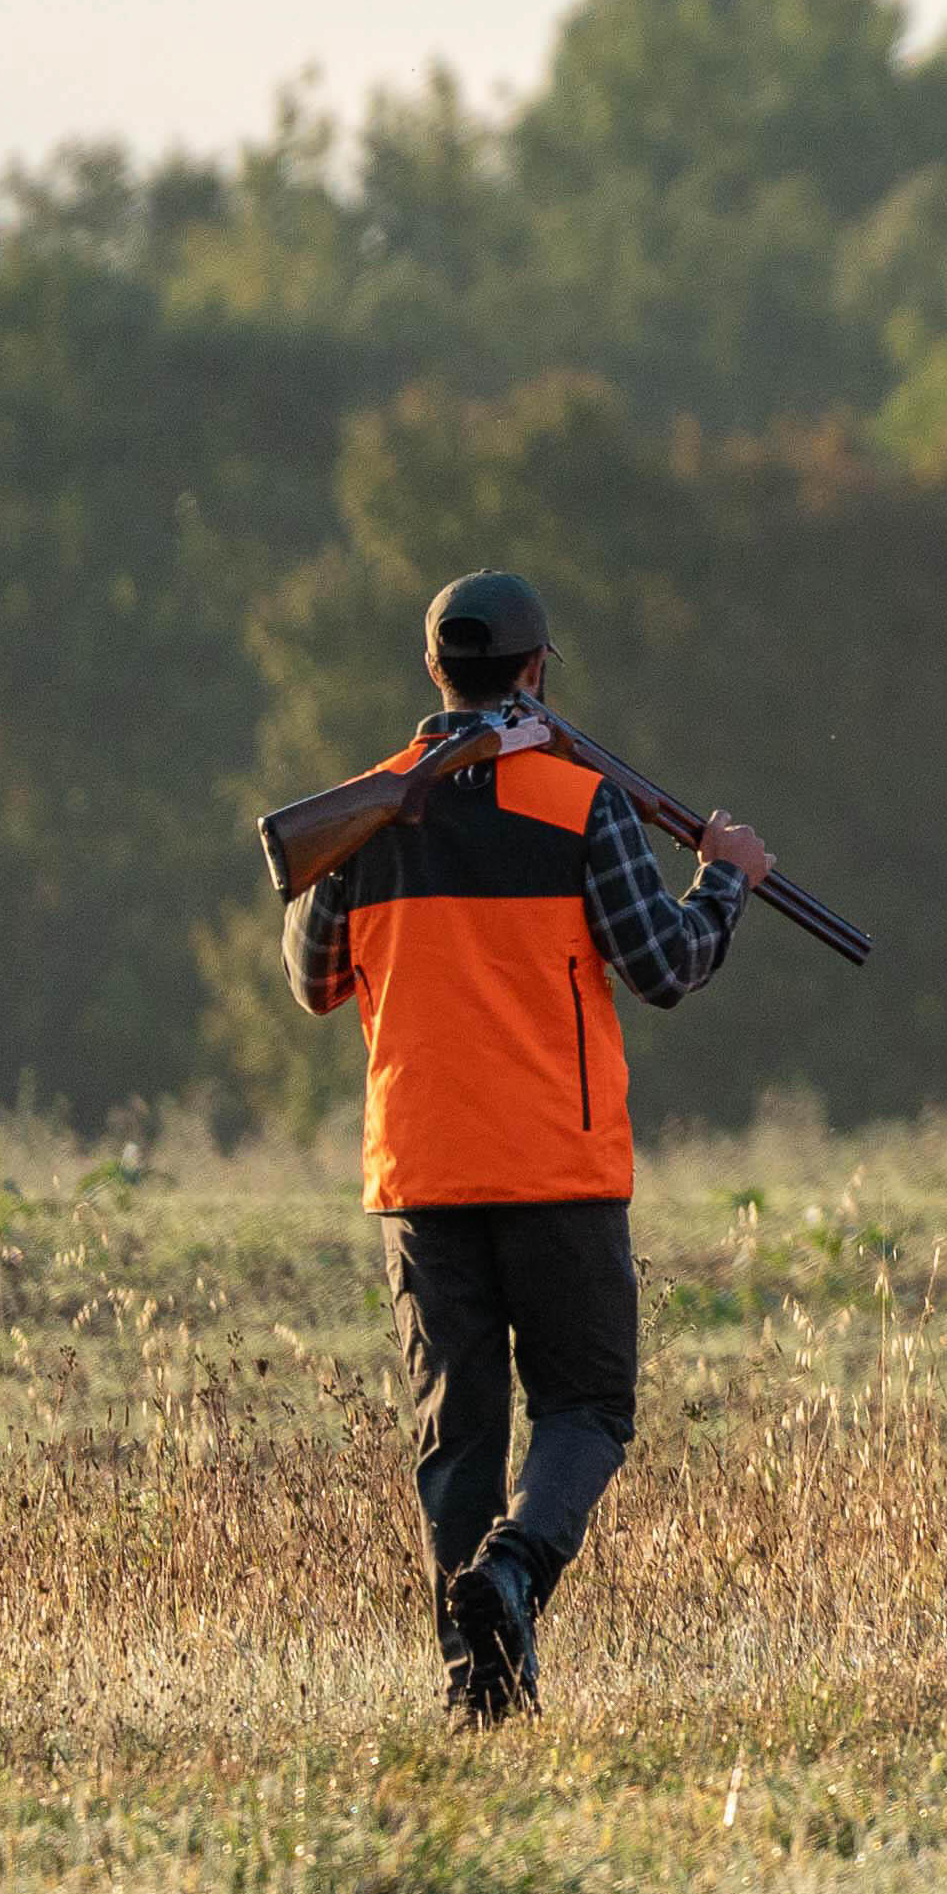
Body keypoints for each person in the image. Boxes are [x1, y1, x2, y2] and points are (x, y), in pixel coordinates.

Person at [280, 567, 777, 1721]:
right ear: (538, 670)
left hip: (421, 1173)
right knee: (588, 1409)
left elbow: (311, 983)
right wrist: (727, 882)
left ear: (433, 671)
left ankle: (477, 1689)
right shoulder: (576, 804)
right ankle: (512, 1570)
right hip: (557, 1166)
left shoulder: (372, 811)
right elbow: (664, 966)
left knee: (456, 1436)